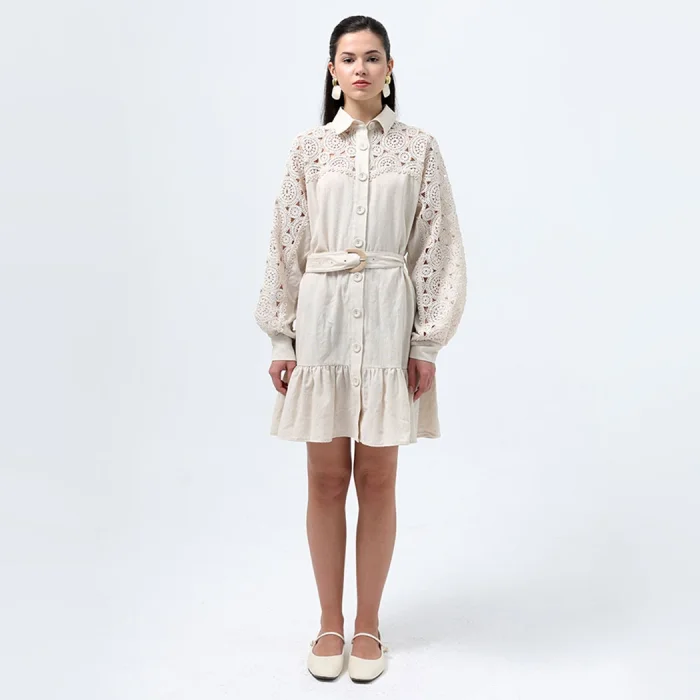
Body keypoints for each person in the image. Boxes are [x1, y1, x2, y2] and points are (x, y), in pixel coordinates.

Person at [254, 15, 467, 683]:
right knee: (324, 479)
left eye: (373, 57)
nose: (361, 68)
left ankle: (368, 623)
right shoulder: (309, 149)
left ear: (390, 68)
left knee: (377, 479)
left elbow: (437, 244)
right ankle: (329, 622)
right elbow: (286, 240)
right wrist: (282, 335)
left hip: (387, 321)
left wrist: (426, 342)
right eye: (348, 58)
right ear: (332, 70)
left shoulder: (419, 148)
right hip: (320, 323)